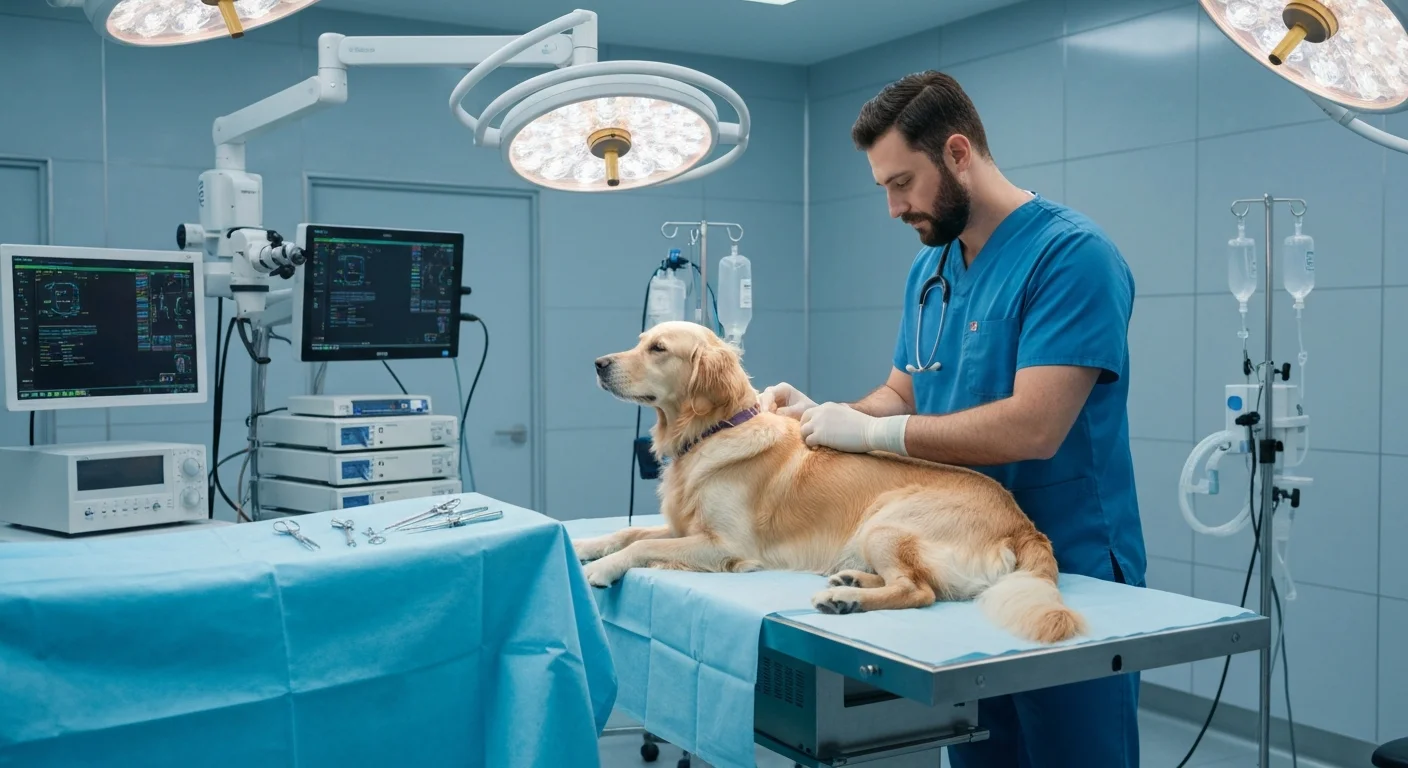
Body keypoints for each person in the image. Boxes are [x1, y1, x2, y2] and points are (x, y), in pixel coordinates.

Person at [758, 71, 1147, 767]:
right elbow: (901, 394)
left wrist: (873, 436)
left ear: (958, 153)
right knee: (979, 754)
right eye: (884, 187)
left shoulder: (1072, 257)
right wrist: (830, 415)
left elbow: (1034, 428)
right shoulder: (931, 269)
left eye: (902, 183)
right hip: (959, 562)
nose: (892, 207)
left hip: (1068, 561)